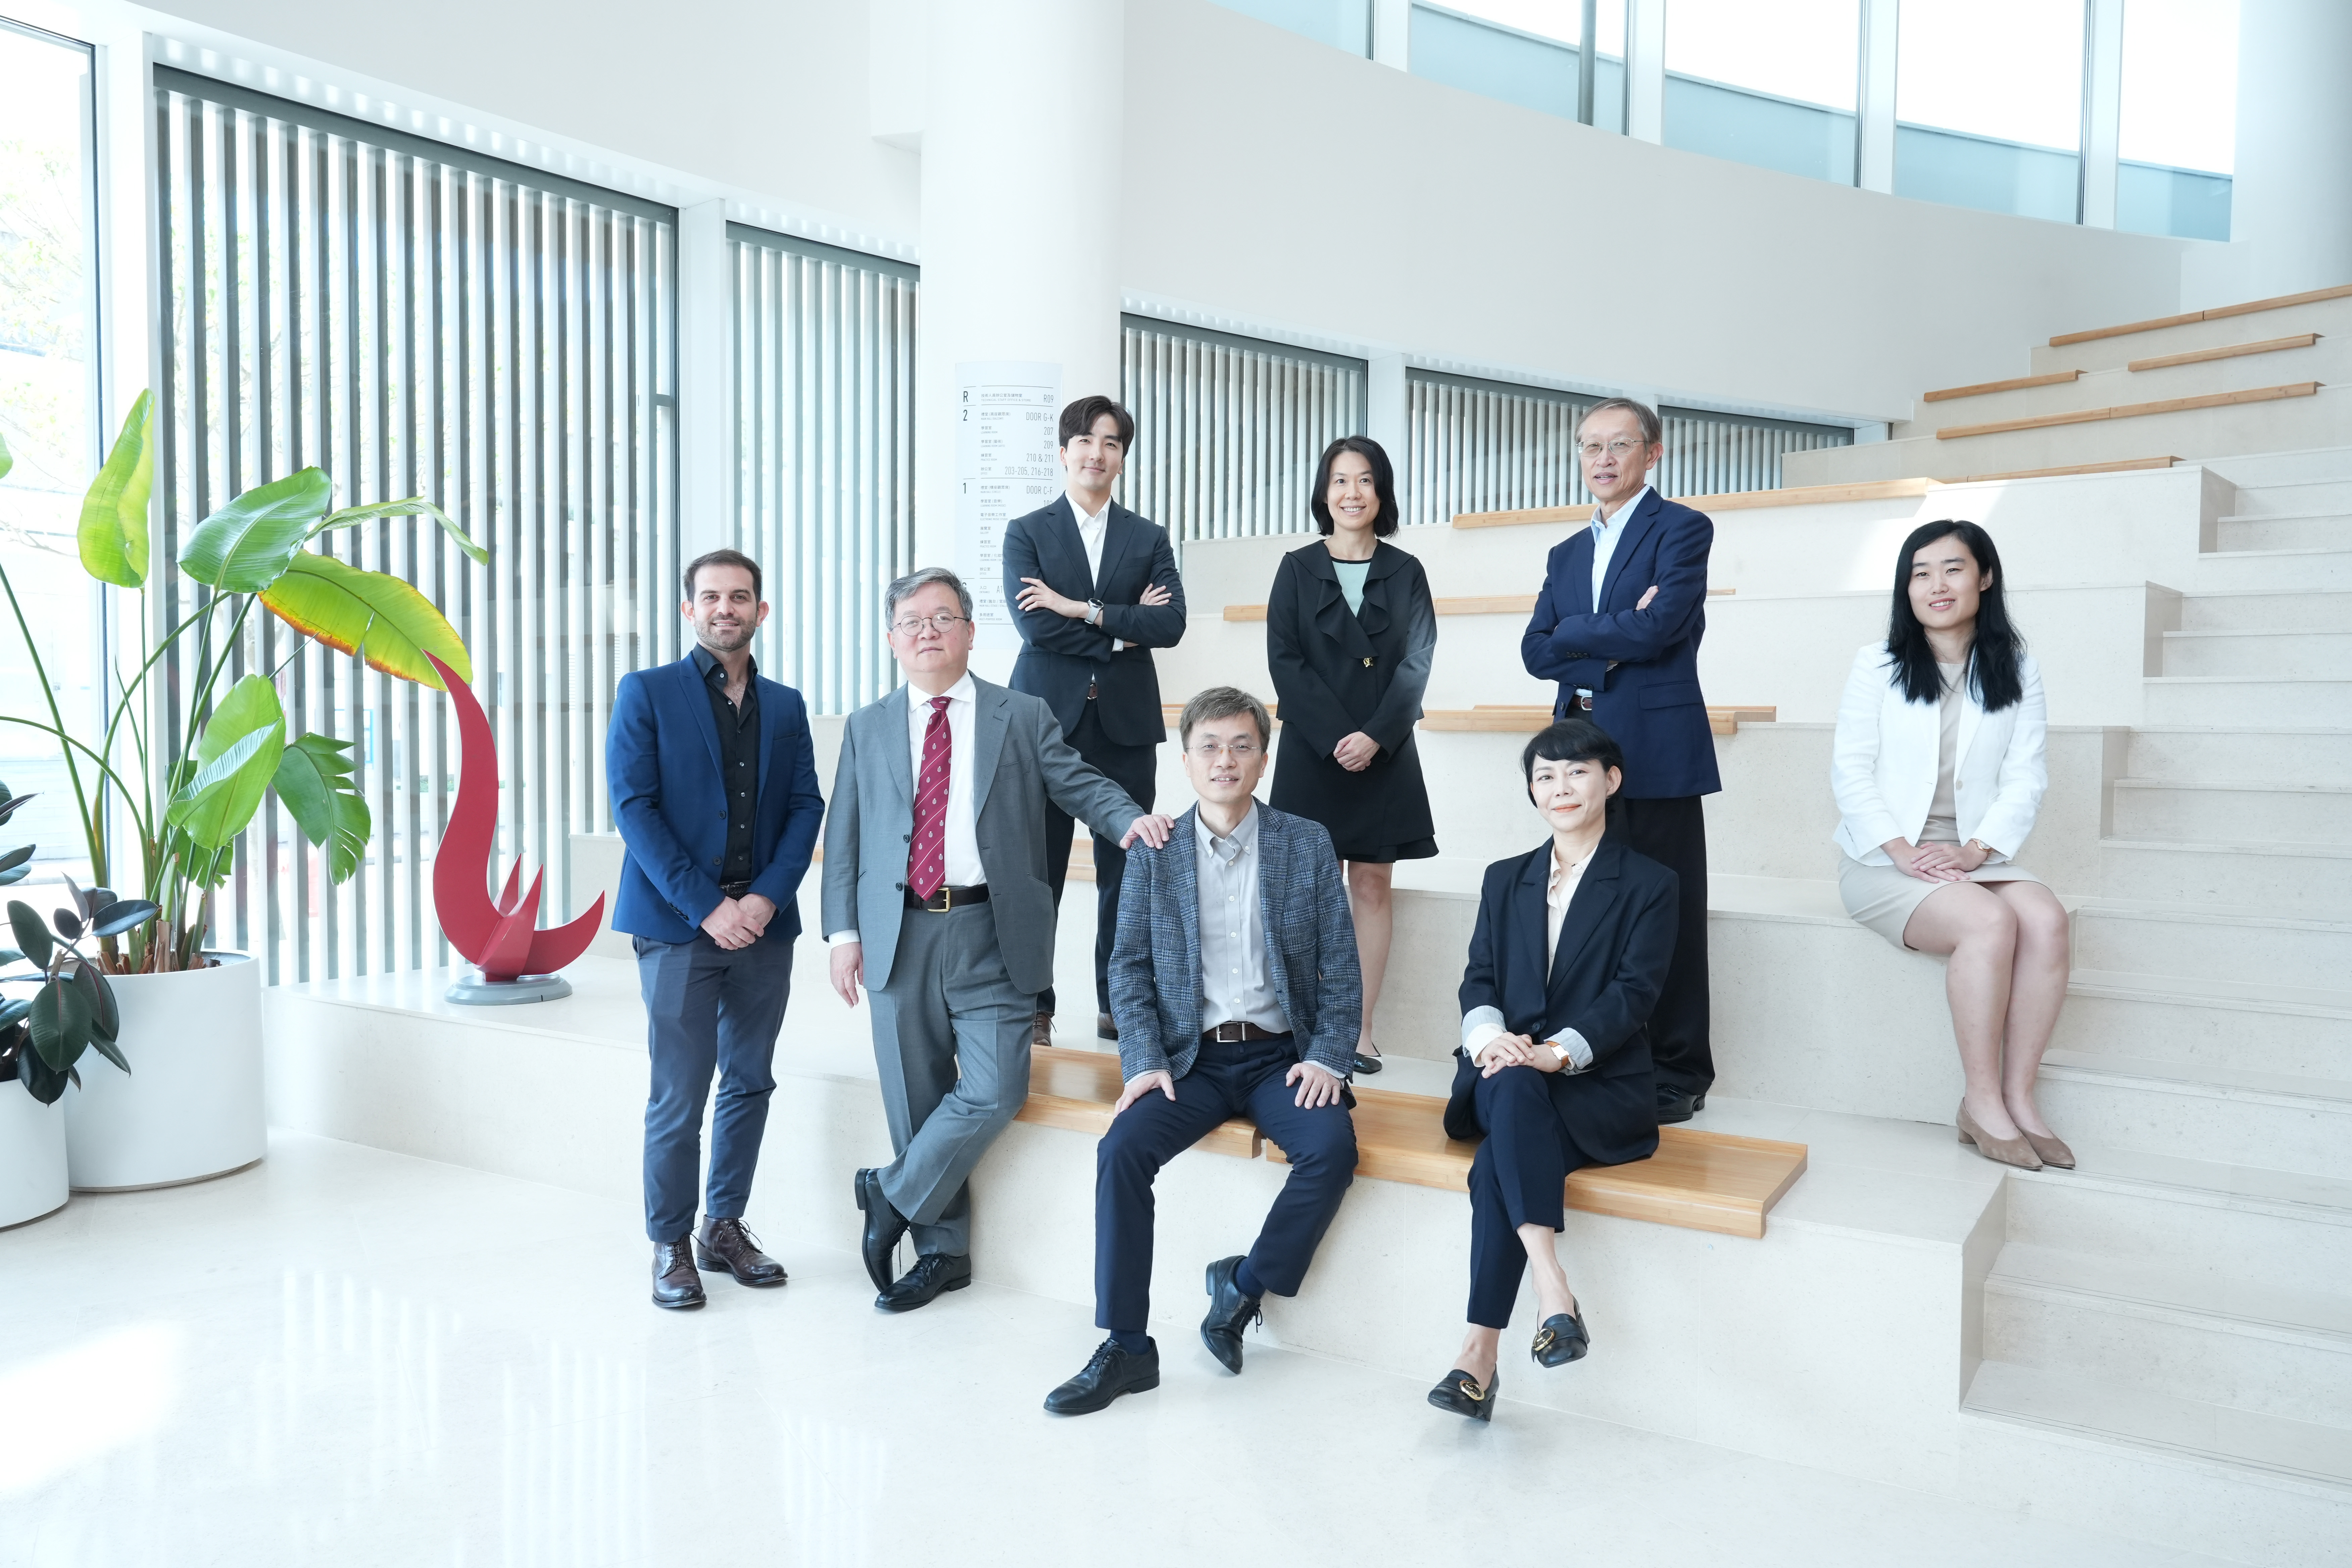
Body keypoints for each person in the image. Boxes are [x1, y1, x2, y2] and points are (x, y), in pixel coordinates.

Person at [824, 568, 1175, 1312]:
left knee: (995, 1087)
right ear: (892, 639)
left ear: (971, 631)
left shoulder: (1019, 714)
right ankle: (942, 1253)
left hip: (993, 931)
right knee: (917, 1103)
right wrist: (843, 934)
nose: (928, 631)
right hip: (898, 932)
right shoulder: (868, 725)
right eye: (912, 621)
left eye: (943, 617)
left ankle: (889, 1193)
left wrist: (1128, 819)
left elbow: (1079, 782)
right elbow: (846, 837)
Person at [1044, 687, 1362, 1416]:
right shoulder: (1154, 848)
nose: (1226, 759)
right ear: (1184, 759)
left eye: (1242, 744)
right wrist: (1143, 1059)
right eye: (1210, 745)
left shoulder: (1305, 841)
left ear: (1263, 756)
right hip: (1190, 1059)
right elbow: (1127, 966)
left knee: (1332, 1149)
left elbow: (1341, 969)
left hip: (1283, 1054)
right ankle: (1127, 1345)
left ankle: (1243, 1285)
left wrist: (1328, 1057)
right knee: (1122, 1149)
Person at [1427, 718, 1675, 1421]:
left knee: (1493, 1168)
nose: (1559, 787)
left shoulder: (1651, 883)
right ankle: (1552, 1289)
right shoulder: (1506, 878)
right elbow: (1479, 980)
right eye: (1544, 775)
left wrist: (1556, 1051)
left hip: (1596, 1084)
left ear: (1611, 779)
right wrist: (1492, 1040)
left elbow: (1636, 992)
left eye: (1575, 772)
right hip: (1509, 1070)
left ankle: (1479, 1355)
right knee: (1508, 1083)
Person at [606, 548, 827, 1310]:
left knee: (750, 1080)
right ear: (688, 610)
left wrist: (765, 899)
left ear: (761, 611)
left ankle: (722, 1225)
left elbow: (806, 806)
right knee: (680, 1091)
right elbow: (635, 809)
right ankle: (670, 1242)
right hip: (679, 927)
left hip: (765, 926)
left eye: (740, 597)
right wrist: (709, 907)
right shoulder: (647, 693)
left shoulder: (789, 706)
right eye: (711, 597)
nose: (725, 608)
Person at [1832, 521, 2070, 1171]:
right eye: (1920, 572)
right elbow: (1850, 771)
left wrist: (1977, 850)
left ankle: (2020, 1099)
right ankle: (1981, 1100)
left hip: (1972, 853)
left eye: (1953, 569)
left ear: (1985, 577)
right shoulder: (1875, 664)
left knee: (2046, 919)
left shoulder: (2017, 666)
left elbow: (2027, 774)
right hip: (1883, 859)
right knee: (1990, 923)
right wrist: (1905, 850)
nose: (1936, 585)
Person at [1519, 397, 1717, 1125]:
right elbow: (1537, 650)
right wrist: (1606, 632)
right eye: (1590, 446)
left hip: (1658, 751)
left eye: (1619, 445)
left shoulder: (1683, 529)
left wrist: (1578, 639)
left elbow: (1663, 626)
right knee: (1592, 910)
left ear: (1652, 453)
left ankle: (1680, 1068)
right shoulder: (1565, 553)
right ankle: (1601, 1050)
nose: (1602, 459)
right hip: (1579, 752)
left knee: (1669, 907)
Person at [1003, 396, 1187, 1048]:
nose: (1096, 452)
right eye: (1084, 440)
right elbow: (1033, 625)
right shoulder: (1026, 531)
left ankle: (1121, 1003)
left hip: (1126, 726)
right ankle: (1034, 1005)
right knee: (1038, 874)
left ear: (1122, 458)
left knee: (1128, 872)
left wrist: (1077, 608)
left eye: (1110, 442)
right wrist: (1117, 627)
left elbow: (1169, 624)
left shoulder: (1149, 537)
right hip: (1044, 728)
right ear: (1062, 451)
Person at [1264, 435, 1437, 1078]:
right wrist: (1339, 736)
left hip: (1386, 751)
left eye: (1365, 481)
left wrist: (1375, 736)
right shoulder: (1296, 567)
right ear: (1324, 492)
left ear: (1381, 491)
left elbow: (1418, 662)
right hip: (1314, 752)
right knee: (1309, 888)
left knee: (1371, 883)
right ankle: (1306, 1023)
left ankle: (1360, 1030)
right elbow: (1285, 660)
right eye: (1340, 481)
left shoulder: (1407, 570)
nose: (1352, 493)